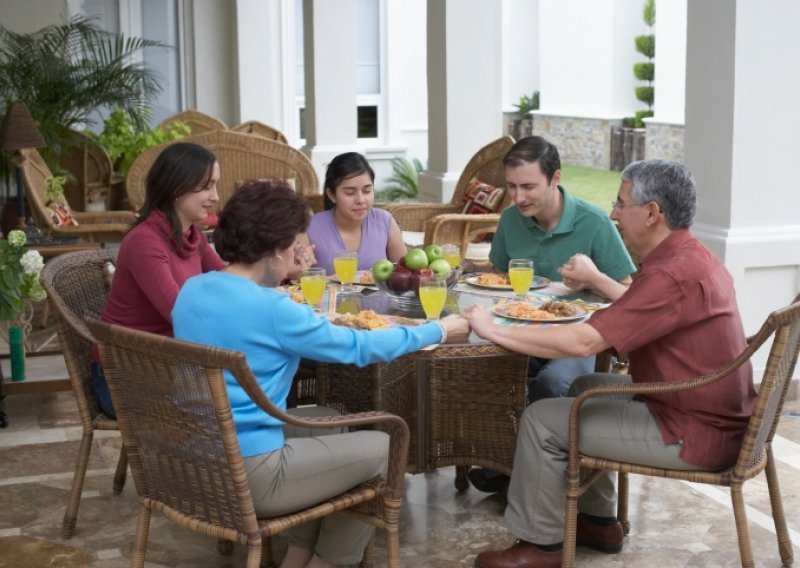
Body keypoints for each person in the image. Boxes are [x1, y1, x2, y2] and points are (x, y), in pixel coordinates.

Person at [462, 159, 756, 568]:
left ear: (652, 212)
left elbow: (584, 341)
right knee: (585, 388)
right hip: (713, 414)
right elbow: (638, 316)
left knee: (542, 419)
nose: (614, 213)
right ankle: (598, 521)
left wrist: (491, 329)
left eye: (621, 204)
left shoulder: (672, 273)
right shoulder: (690, 256)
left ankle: (540, 547)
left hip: (696, 434)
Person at [172, 180, 468, 568]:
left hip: (194, 457)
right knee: (387, 445)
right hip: (250, 473)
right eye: (297, 243)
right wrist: (442, 329)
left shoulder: (193, 290)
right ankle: (330, 562)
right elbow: (358, 348)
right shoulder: (276, 311)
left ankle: (296, 559)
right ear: (277, 249)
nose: (303, 250)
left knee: (327, 419)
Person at [93, 143, 315, 418]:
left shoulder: (191, 236)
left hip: (178, 361)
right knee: (261, 371)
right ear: (176, 188)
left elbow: (235, 282)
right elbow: (180, 313)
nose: (215, 196)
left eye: (216, 185)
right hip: (129, 375)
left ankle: (265, 448)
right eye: (207, 186)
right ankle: (256, 452)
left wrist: (281, 269)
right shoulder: (144, 241)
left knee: (269, 367)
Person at [468, 136, 636, 494]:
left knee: (553, 383)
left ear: (555, 178)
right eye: (511, 187)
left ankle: (537, 480)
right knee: (478, 367)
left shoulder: (593, 223)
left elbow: (628, 295)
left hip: (579, 341)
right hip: (521, 334)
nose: (518, 197)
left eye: (528, 186)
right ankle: (502, 459)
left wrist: (593, 278)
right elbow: (496, 278)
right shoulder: (511, 220)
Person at [307, 152, 406, 274]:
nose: (360, 200)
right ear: (332, 195)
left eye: (367, 191)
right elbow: (294, 279)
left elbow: (405, 274)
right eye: (350, 192)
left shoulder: (385, 221)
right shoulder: (310, 228)